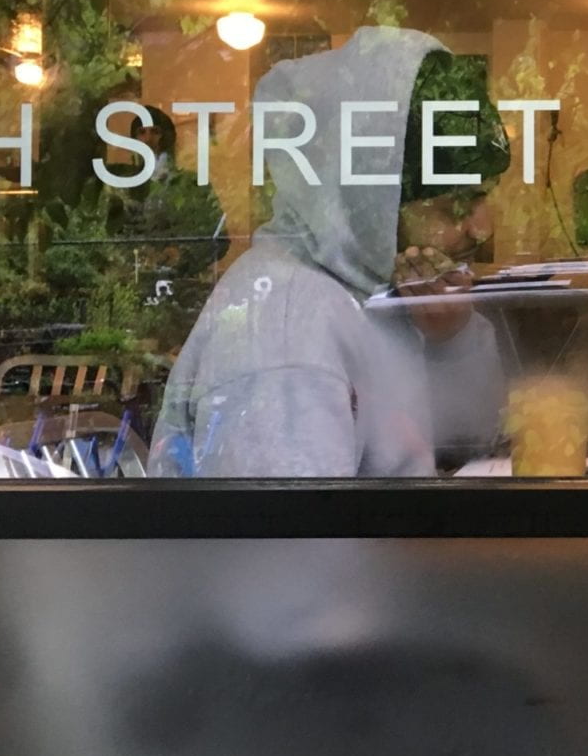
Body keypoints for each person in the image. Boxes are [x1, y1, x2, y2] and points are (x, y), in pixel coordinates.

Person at [151, 28, 510, 478]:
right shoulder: (286, 334)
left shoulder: (368, 285)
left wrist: (451, 339)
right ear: (369, 199)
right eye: (454, 205)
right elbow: (288, 541)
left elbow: (469, 447)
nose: (482, 227)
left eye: (484, 197)